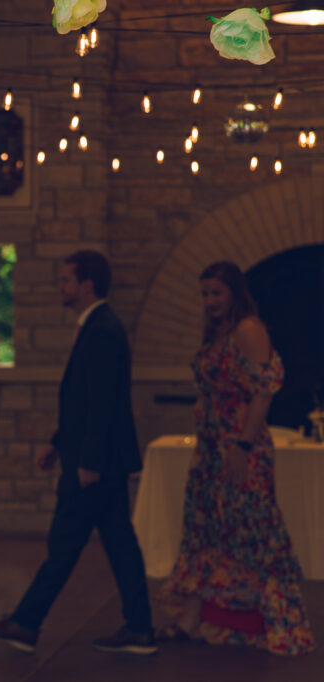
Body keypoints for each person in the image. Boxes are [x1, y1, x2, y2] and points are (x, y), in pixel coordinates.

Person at [0, 250, 156, 655]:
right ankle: (139, 628)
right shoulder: (96, 326)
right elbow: (84, 400)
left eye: (66, 279)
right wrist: (58, 442)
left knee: (66, 543)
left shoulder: (103, 329)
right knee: (118, 543)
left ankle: (25, 623)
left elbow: (103, 403)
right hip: (95, 458)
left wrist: (88, 459)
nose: (60, 286)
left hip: (95, 464)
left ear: (86, 284)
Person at [155, 261, 315, 655]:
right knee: (205, 530)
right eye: (205, 293)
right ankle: (193, 617)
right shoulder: (218, 332)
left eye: (217, 293)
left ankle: (281, 622)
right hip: (210, 449)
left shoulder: (248, 330)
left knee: (255, 533)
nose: (209, 301)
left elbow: (263, 391)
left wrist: (242, 445)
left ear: (235, 293)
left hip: (240, 448)